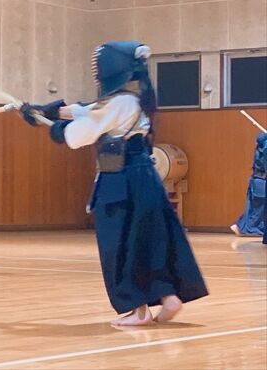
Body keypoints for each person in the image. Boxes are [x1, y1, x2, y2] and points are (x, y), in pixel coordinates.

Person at [22, 41, 208, 326]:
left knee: (117, 243)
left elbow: (77, 136)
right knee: (146, 241)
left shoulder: (120, 102)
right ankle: (168, 296)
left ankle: (138, 309)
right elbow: (86, 111)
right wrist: (49, 112)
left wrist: (57, 129)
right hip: (145, 179)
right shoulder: (134, 99)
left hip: (121, 181)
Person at [231, 132, 267, 238]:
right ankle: (242, 228)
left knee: (254, 209)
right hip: (261, 182)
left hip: (257, 181)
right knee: (258, 210)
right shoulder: (264, 151)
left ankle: (240, 227)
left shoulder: (259, 150)